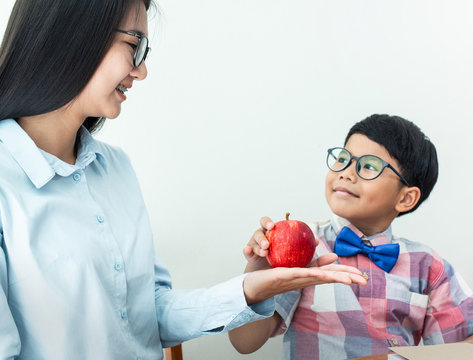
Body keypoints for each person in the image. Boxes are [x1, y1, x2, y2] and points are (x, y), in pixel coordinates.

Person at [0, 0, 367, 358]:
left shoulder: (116, 169)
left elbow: (151, 312)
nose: (141, 71)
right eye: (134, 45)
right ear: (71, 34)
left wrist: (248, 290)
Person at [228, 114, 473, 359]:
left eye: (368, 167)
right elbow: (244, 342)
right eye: (343, 158)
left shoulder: (429, 266)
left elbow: (456, 351)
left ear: (405, 198)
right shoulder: (306, 250)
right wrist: (258, 271)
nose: (347, 172)